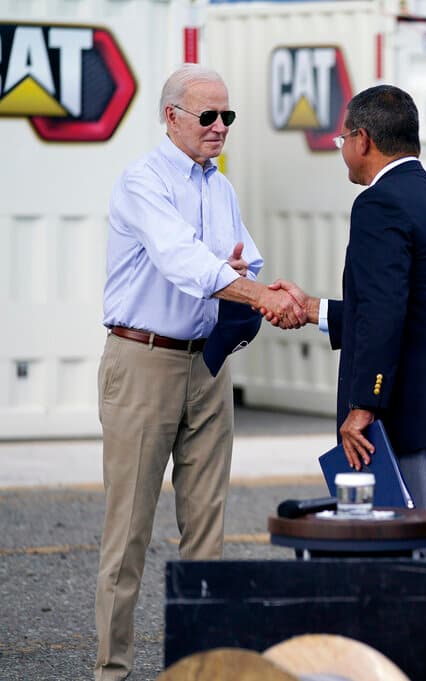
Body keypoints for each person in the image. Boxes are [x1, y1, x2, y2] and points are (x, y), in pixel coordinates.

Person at [95, 64, 304, 681]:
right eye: (208, 116)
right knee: (128, 533)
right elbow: (182, 260)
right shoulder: (143, 182)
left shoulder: (221, 188)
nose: (220, 127)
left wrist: (243, 278)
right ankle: (112, 671)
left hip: (207, 365)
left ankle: (199, 670)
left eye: (227, 116)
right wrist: (254, 291)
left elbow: (245, 259)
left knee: (208, 533)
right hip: (144, 362)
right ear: (171, 117)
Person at [267, 84, 426, 558]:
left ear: (363, 139)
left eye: (342, 140)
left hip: (423, 418)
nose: (343, 150)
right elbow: (422, 308)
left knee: (407, 564)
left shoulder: (379, 203)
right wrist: (314, 309)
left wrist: (365, 404)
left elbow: (384, 313)